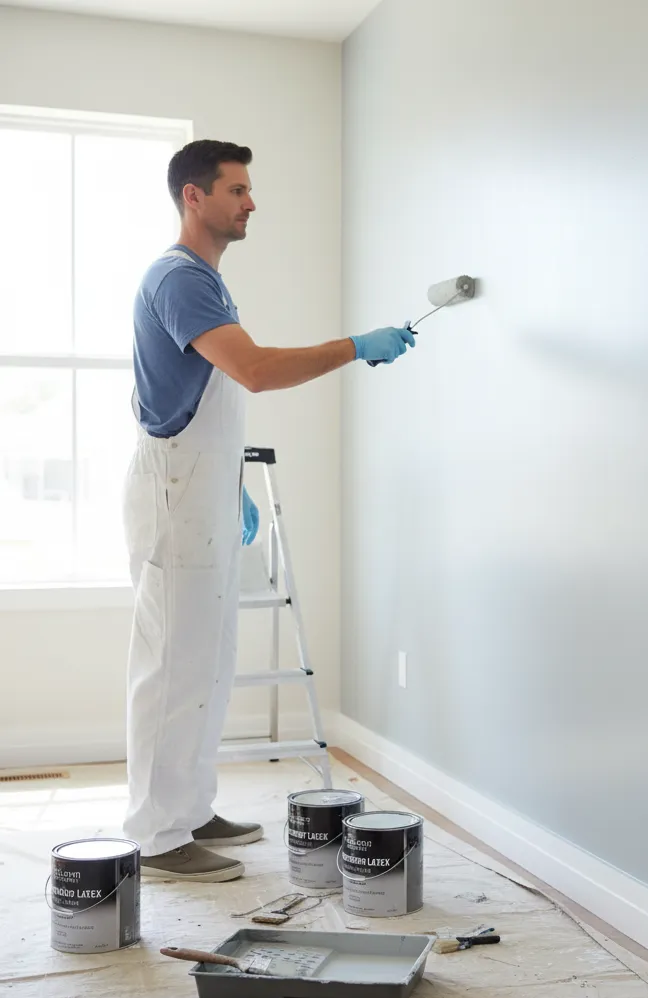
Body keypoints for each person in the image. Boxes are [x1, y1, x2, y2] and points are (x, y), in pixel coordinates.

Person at [122, 140, 415, 881]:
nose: (251, 202)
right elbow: (252, 371)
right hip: (176, 492)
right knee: (173, 664)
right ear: (194, 197)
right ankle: (156, 837)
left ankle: (189, 808)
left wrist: (233, 483)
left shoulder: (207, 284)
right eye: (237, 189)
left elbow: (203, 393)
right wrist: (354, 345)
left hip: (203, 486)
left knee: (211, 659)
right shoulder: (180, 278)